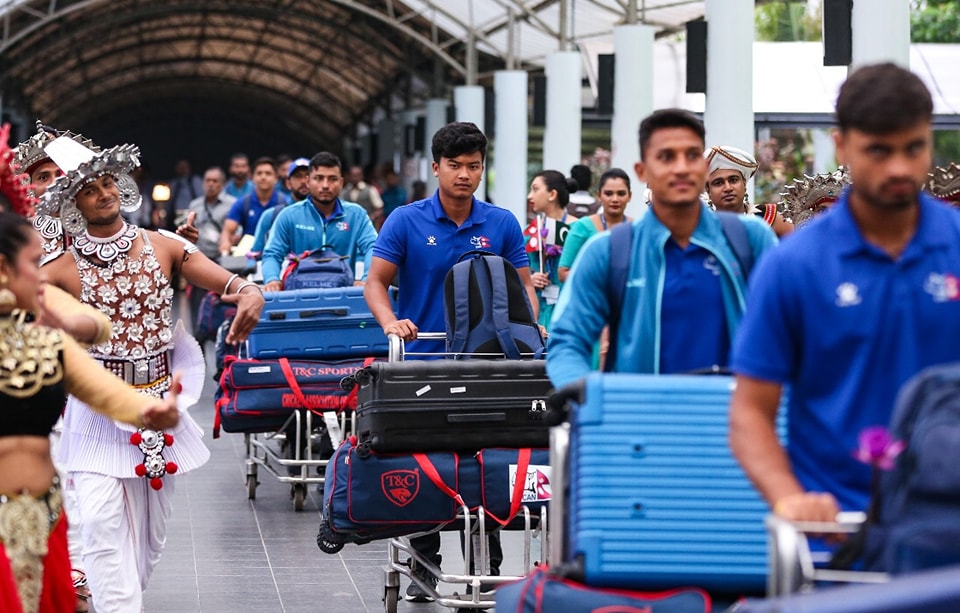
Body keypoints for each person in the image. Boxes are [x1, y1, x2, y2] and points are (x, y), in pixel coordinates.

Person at [39, 138, 264, 613]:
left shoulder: (164, 246)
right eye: (89, 189)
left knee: (148, 541)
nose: (103, 193)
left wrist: (248, 291)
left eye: (107, 182)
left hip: (159, 407)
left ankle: (119, 598)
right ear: (73, 205)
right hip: (94, 409)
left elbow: (225, 278)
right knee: (100, 524)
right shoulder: (57, 268)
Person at [729, 62, 960, 525]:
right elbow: (750, 413)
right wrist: (790, 498)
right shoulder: (793, 265)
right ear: (842, 145)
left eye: (913, 148)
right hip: (836, 537)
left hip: (946, 531)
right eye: (878, 150)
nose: (899, 167)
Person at [364, 121, 536, 602]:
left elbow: (522, 288)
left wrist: (530, 328)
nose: (465, 174)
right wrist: (390, 322)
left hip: (486, 365)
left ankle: (490, 566)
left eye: (474, 166)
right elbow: (375, 282)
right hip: (423, 363)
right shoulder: (406, 220)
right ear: (436, 167)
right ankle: (426, 562)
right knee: (427, 462)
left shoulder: (500, 223)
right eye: (455, 166)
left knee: (488, 459)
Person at [0, 210, 184, 613]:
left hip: (43, 520)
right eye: (34, 263)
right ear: (3, 269)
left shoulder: (45, 340)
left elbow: (107, 387)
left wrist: (154, 410)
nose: (44, 273)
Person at [546, 109, 777, 389]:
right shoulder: (609, 251)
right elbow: (568, 339)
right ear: (642, 171)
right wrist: (580, 389)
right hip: (642, 423)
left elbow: (791, 326)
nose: (680, 168)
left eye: (691, 155)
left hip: (734, 421)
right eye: (666, 157)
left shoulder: (751, 240)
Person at [261, 152, 377, 291]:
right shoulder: (289, 215)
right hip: (298, 294)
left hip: (344, 294)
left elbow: (374, 247)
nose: (325, 185)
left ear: (341, 182)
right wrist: (272, 280)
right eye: (319, 178)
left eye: (332, 179)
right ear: (308, 181)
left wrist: (367, 280)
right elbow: (272, 253)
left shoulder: (356, 215)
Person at [558, 168, 634, 283]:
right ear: (599, 195)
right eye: (608, 194)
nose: (615, 199)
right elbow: (563, 273)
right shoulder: (583, 226)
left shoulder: (637, 228)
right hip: (592, 298)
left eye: (621, 194)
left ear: (630, 196)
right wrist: (597, 278)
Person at [524, 170, 578, 330]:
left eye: (535, 189)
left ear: (552, 194)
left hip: (569, 311)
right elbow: (515, 271)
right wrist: (529, 280)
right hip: (536, 312)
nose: (529, 196)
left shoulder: (578, 230)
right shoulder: (530, 231)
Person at [705, 145, 794, 237]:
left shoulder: (768, 217)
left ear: (744, 183)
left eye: (733, 180)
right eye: (718, 183)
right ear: (708, 190)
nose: (728, 188)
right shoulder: (703, 229)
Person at [218, 156, 286, 255]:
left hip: (278, 253)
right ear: (252, 177)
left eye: (268, 173)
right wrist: (225, 244)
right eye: (259, 173)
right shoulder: (243, 203)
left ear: (276, 178)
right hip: (248, 255)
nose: (263, 177)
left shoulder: (284, 202)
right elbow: (227, 231)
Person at [249, 156, 311, 258]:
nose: (304, 181)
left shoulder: (326, 215)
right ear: (288, 183)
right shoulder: (271, 215)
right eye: (298, 176)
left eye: (308, 176)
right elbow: (255, 254)